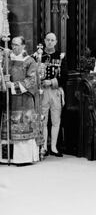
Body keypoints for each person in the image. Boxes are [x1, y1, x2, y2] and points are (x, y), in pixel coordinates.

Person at [0, 36, 40, 164]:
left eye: (17, 45)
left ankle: (23, 158)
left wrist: (13, 85)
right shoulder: (7, 60)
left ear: (23, 46)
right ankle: (7, 158)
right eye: (12, 44)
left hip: (24, 100)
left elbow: (32, 81)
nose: (14, 47)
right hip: (9, 100)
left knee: (23, 127)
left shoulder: (29, 61)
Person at [38, 32, 67, 157]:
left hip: (55, 91)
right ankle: (43, 147)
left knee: (56, 119)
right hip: (42, 91)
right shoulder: (38, 55)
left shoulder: (61, 56)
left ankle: (54, 147)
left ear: (56, 42)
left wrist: (52, 81)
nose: (50, 42)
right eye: (48, 40)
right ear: (44, 41)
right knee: (43, 119)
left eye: (52, 40)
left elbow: (65, 75)